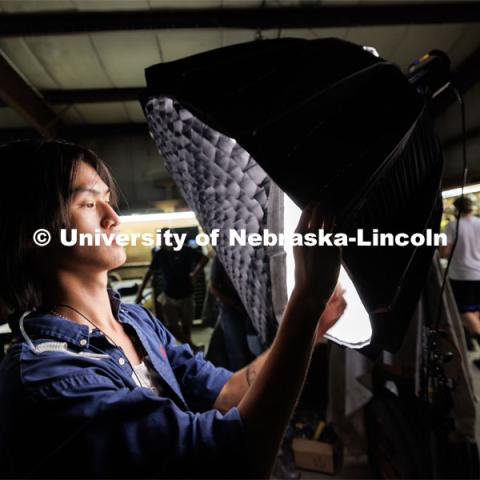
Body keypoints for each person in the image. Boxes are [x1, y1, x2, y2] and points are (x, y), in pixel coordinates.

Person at [0, 139, 345, 479]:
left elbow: (227, 394)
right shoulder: (48, 376)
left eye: (108, 200)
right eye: (88, 204)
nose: (113, 218)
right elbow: (235, 459)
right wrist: (306, 301)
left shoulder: (136, 321)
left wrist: (310, 330)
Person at [135, 242, 208, 348]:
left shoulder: (186, 250)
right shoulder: (160, 254)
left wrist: (195, 273)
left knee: (186, 326)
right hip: (169, 295)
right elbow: (149, 272)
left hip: (187, 294)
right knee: (172, 327)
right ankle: (192, 346)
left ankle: (189, 348)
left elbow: (205, 258)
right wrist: (139, 292)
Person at [440, 197, 480, 350]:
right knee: (475, 310)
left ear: (456, 210)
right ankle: (471, 342)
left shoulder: (452, 226)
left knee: (464, 311)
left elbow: (444, 252)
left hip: (462, 276)